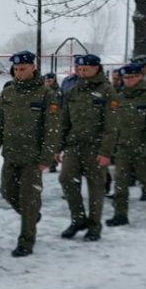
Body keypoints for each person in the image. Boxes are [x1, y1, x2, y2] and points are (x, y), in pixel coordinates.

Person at [0, 51, 60, 257]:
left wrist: (46, 157)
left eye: (23, 68)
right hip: (10, 153)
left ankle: (26, 240)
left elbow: (52, 128)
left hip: (33, 157)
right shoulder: (8, 92)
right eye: (16, 69)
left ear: (33, 68)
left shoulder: (46, 94)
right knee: (7, 192)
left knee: (29, 198)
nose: (18, 72)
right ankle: (32, 215)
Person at [56, 54, 116, 242]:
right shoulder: (73, 91)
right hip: (74, 145)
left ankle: (94, 225)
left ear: (96, 68)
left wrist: (106, 152)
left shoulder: (107, 91)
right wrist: (58, 147)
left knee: (96, 187)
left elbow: (111, 125)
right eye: (79, 69)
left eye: (86, 69)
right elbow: (64, 122)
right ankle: (78, 219)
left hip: (96, 147)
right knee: (66, 179)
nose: (81, 72)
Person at [106, 64, 146, 227]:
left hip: (143, 147)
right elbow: (114, 124)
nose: (129, 80)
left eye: (132, 77)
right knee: (120, 182)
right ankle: (120, 214)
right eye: (126, 78)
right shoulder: (119, 98)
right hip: (123, 148)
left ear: (140, 77)